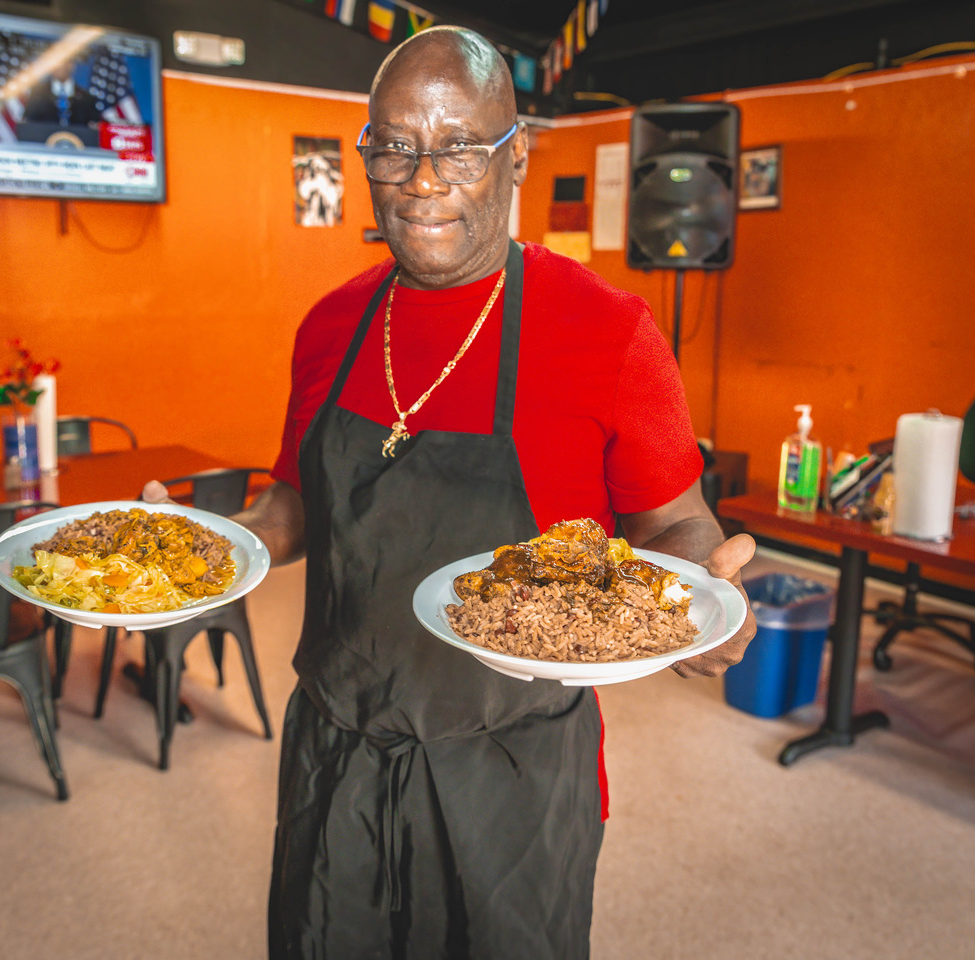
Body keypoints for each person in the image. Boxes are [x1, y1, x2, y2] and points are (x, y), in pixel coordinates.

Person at [146, 24, 756, 959]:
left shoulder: (608, 333)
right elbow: (296, 505)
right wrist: (203, 549)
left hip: (510, 772)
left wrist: (695, 606)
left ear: (515, 157)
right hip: (337, 748)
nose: (423, 179)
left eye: (460, 147)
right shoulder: (331, 326)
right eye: (393, 147)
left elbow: (674, 521)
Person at [21, 58, 102, 128]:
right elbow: (28, 124)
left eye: (62, 62)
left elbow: (94, 128)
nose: (59, 66)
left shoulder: (86, 98)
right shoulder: (37, 94)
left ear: (71, 65)